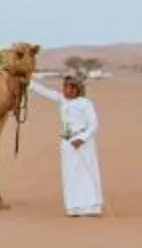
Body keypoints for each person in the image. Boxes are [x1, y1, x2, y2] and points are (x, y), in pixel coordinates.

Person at [28, 73, 103, 216]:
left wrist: (82, 138)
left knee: (87, 173)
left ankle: (92, 206)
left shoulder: (85, 103)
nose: (66, 90)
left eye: (69, 87)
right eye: (64, 86)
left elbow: (94, 124)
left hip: (83, 143)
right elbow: (44, 92)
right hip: (68, 142)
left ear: (76, 89)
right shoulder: (62, 100)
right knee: (70, 174)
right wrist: (28, 83)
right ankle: (74, 207)